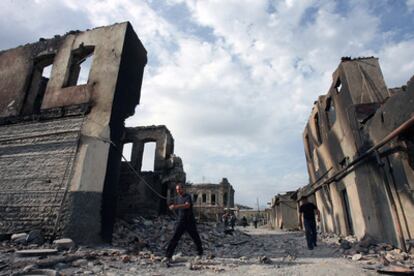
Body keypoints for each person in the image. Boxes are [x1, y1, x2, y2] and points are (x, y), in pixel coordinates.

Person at [164, 183, 203, 265]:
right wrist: (172, 207)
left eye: (179, 189)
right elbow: (176, 207)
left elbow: (187, 205)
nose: (178, 191)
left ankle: (200, 253)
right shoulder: (178, 198)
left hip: (189, 222)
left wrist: (176, 206)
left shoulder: (187, 196)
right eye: (177, 190)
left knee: (195, 237)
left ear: (183, 189)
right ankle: (168, 256)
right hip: (180, 221)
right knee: (174, 238)